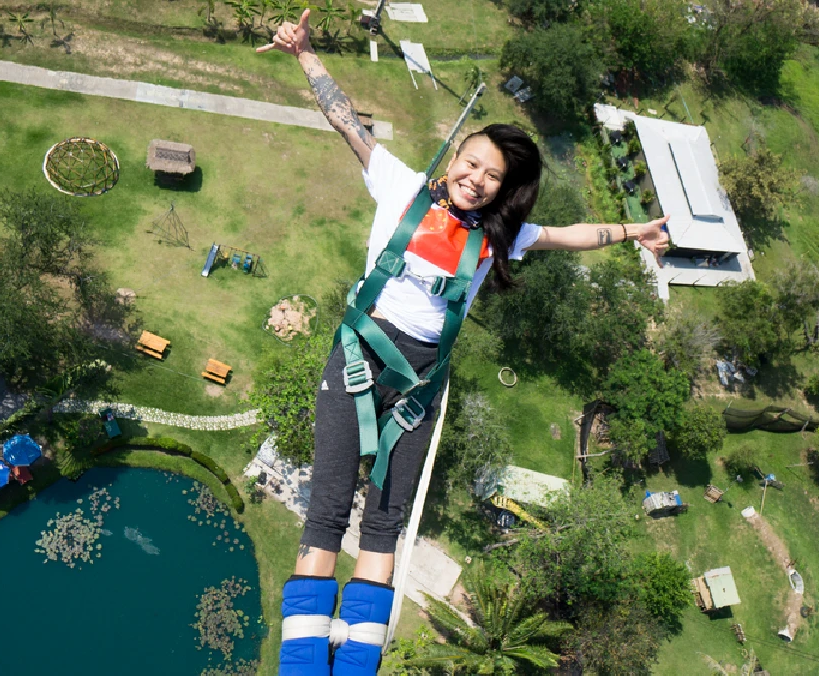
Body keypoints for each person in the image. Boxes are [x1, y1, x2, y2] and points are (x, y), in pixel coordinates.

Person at [259, 12, 670, 676]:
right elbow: (344, 120)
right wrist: (304, 55)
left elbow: (573, 235)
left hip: (421, 381)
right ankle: (304, 665)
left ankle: (355, 665)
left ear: (504, 191)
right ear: (453, 161)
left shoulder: (502, 239)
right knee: (328, 508)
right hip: (360, 356)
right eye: (470, 164)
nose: (476, 179)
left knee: (385, 523)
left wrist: (634, 232)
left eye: (491, 176)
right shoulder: (397, 184)